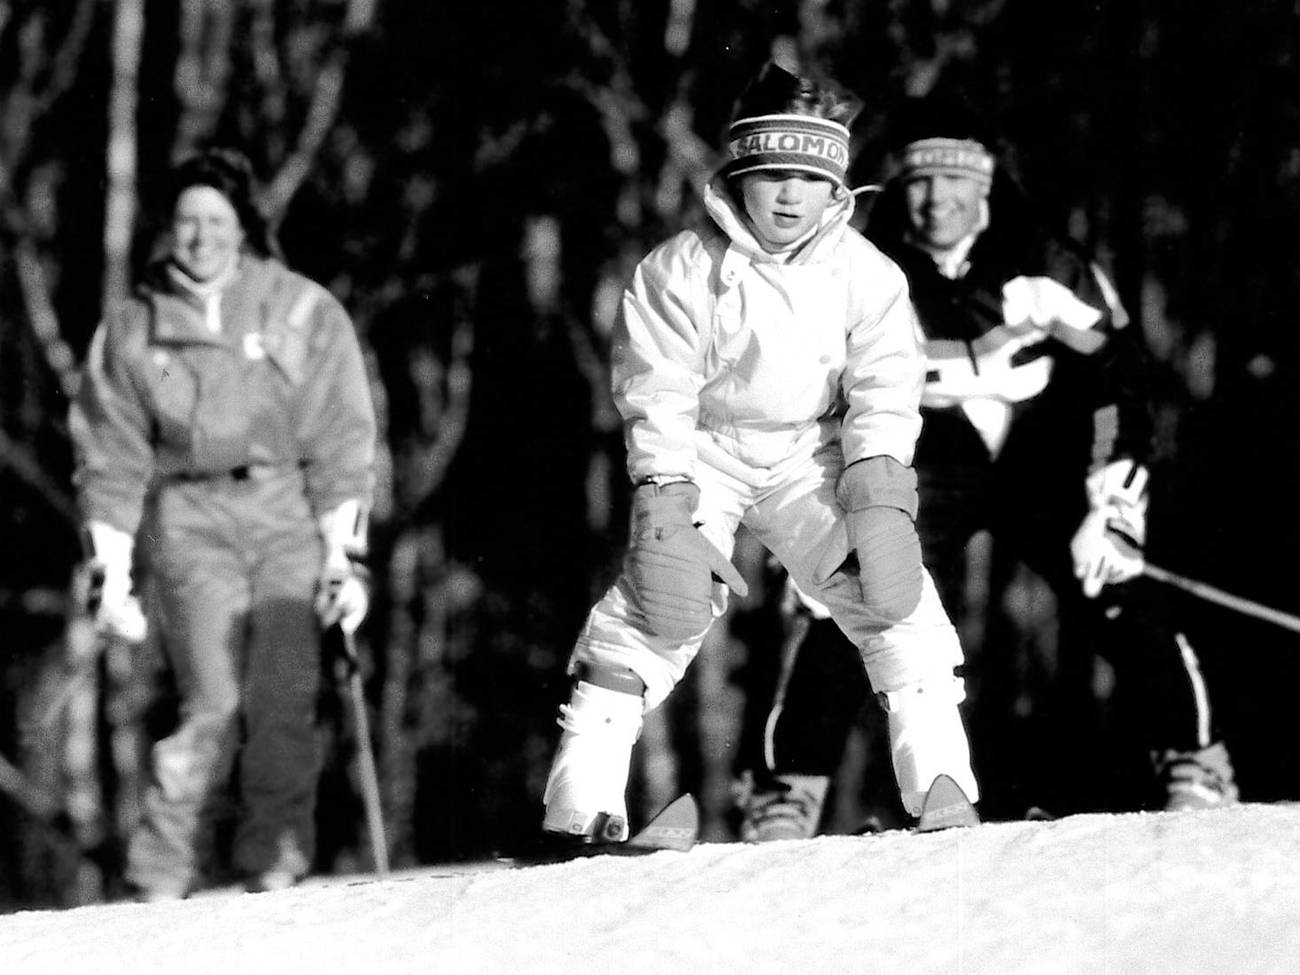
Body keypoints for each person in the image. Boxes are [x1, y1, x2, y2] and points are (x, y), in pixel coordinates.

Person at [733, 93, 1239, 840]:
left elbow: (1119, 377)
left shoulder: (1047, 260)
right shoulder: (863, 266)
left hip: (1045, 449)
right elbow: (814, 391)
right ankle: (786, 791)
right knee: (848, 592)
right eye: (920, 181)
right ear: (899, 187)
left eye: (955, 180)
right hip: (930, 451)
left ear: (986, 183)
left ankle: (1197, 760)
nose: (937, 200)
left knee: (1112, 580)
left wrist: (1114, 500)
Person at [541, 62, 981, 845]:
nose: (788, 195)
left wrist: (879, 487)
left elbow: (887, 383)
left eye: (809, 178)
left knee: (892, 593)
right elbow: (658, 389)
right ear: (737, 175)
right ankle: (582, 800)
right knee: (658, 607)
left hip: (809, 454)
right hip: (704, 452)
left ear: (836, 188)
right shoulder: (679, 268)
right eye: (772, 174)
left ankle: (940, 782)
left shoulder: (866, 274)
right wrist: (666, 498)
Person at [69, 148, 377, 898]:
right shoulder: (135, 327)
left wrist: (346, 556)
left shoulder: (301, 308)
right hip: (190, 518)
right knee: (213, 700)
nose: (201, 236)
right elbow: (110, 454)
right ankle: (161, 875)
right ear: (166, 231)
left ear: (243, 227)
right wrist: (108, 564)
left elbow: (342, 437)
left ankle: (272, 862)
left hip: (284, 514)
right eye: (186, 220)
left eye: (216, 220)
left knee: (283, 698)